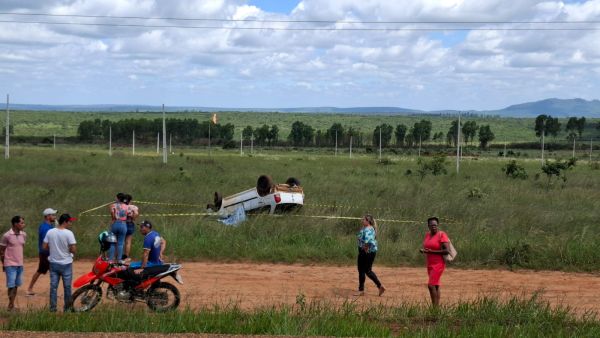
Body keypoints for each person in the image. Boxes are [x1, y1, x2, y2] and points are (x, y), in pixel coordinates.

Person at [43, 213, 77, 312]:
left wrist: (53, 248)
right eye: (70, 221)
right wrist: (68, 250)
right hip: (66, 264)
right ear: (65, 222)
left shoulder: (50, 232)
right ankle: (67, 309)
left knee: (53, 287)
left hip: (53, 263)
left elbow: (44, 246)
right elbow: (73, 249)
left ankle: (53, 309)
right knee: (67, 287)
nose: (71, 223)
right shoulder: (69, 233)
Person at [420, 216, 449, 307]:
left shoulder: (442, 235)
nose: (434, 227)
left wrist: (431, 251)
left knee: (431, 285)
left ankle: (434, 309)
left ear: (438, 225)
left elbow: (446, 251)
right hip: (430, 263)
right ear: (428, 226)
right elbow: (428, 247)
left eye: (435, 225)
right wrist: (424, 251)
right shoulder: (427, 235)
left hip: (439, 263)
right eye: (431, 225)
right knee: (436, 285)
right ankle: (436, 309)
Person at [27, 208, 57, 296]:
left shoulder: (49, 226)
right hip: (45, 253)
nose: (55, 217)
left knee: (53, 271)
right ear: (48, 216)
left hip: (49, 253)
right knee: (40, 270)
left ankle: (53, 291)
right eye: (53, 215)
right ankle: (29, 288)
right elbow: (46, 244)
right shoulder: (45, 228)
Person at [0, 216, 27, 311]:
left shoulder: (23, 234)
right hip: (10, 264)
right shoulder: (6, 235)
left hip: (20, 264)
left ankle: (11, 305)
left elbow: (21, 247)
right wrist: (3, 264)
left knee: (16, 285)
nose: (23, 225)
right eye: (22, 223)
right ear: (15, 224)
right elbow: (2, 251)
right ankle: (10, 306)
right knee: (11, 285)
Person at [355, 214, 385, 296]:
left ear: (368, 221)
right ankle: (380, 286)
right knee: (368, 271)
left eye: (364, 219)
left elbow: (368, 241)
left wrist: (365, 248)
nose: (362, 221)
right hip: (370, 252)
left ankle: (361, 290)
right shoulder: (370, 228)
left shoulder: (368, 229)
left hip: (366, 252)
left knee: (362, 270)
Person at [109, 192, 128, 261]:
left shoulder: (113, 205)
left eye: (116, 197)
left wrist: (113, 219)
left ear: (118, 198)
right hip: (123, 224)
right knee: (120, 243)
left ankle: (110, 260)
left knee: (112, 243)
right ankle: (119, 259)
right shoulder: (126, 206)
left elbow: (112, 213)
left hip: (115, 223)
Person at [123, 194, 139, 259]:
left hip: (122, 223)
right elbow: (136, 213)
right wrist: (133, 218)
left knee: (120, 241)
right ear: (130, 200)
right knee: (128, 241)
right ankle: (126, 256)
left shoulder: (121, 206)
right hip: (130, 223)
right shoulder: (134, 207)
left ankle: (118, 257)